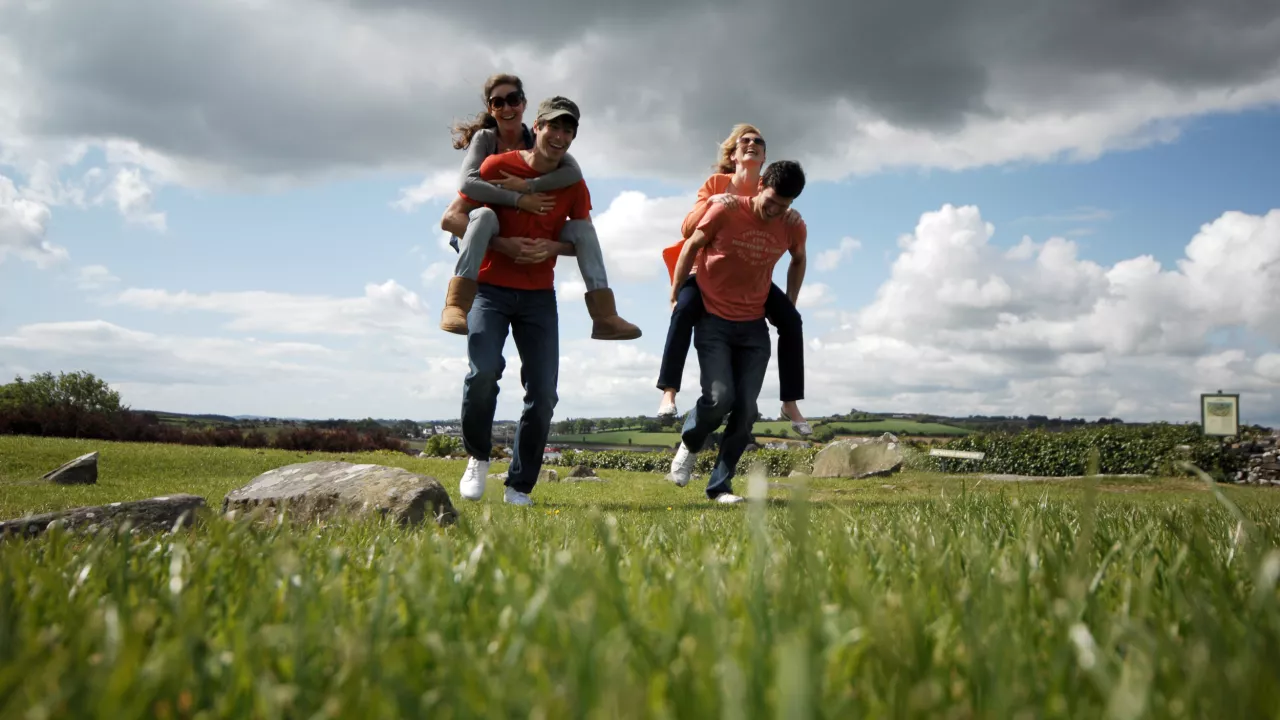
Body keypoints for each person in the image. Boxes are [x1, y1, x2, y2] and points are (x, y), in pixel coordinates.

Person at [442, 96, 593, 507]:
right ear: (538, 126)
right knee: (484, 373)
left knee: (543, 392)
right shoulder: (495, 167)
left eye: (569, 130)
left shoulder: (572, 183)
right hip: (488, 290)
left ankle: (519, 485)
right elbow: (453, 218)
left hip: (538, 297)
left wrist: (551, 247)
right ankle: (477, 455)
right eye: (554, 127)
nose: (560, 136)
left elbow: (581, 240)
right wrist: (501, 241)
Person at [438, 73, 640, 341]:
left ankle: (605, 316)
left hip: (533, 269)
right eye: (498, 103)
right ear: (491, 109)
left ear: (524, 104)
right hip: (479, 226)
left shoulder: (541, 143)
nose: (507, 108)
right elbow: (463, 192)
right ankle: (456, 304)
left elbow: (572, 173)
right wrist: (517, 201)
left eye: (513, 100)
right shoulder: (486, 141)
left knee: (582, 229)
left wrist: (530, 187)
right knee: (483, 218)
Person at [665, 160, 808, 503]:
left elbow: (799, 258)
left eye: (783, 206)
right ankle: (690, 441)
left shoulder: (791, 225)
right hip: (714, 320)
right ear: (760, 187)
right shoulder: (725, 211)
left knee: (747, 409)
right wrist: (675, 294)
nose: (774, 211)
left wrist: (788, 302)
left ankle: (720, 487)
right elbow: (691, 244)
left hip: (753, 327)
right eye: (770, 201)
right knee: (720, 398)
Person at [655, 124, 811, 436]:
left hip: (751, 278)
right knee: (684, 309)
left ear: (765, 158)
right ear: (734, 154)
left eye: (759, 141)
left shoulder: (770, 191)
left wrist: (789, 215)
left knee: (792, 321)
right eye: (745, 141)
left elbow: (784, 229)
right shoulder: (718, 183)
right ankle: (668, 391)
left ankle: (789, 401)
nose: (752, 144)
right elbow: (688, 231)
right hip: (707, 271)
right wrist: (717, 202)